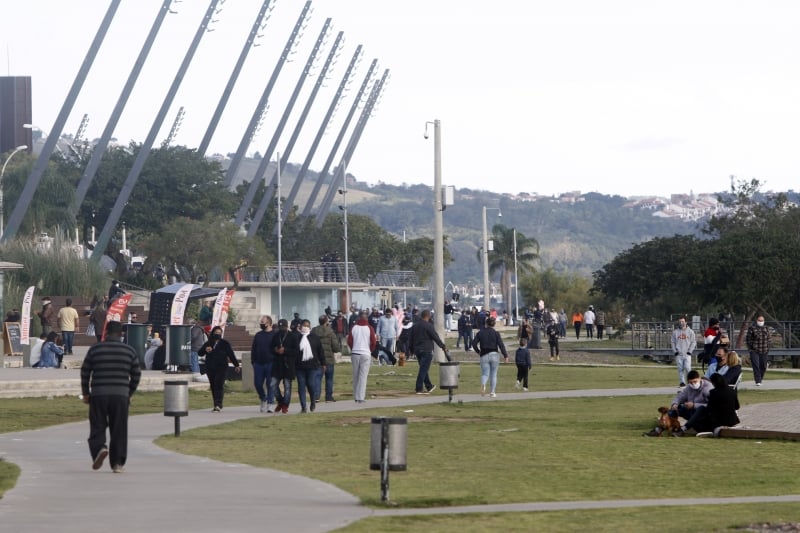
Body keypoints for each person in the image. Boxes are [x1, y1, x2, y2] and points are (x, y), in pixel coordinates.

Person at [80, 321, 141, 473]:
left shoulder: (95, 349)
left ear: (106, 332)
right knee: (119, 429)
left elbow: (85, 371)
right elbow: (136, 374)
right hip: (120, 395)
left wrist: (86, 393)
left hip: (99, 394)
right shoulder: (129, 350)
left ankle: (99, 448)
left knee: (97, 426)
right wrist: (129, 392)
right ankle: (117, 463)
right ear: (121, 334)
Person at [643, 370, 712, 437]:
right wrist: (675, 404)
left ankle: (682, 430)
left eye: (695, 381)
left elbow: (712, 405)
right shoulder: (689, 387)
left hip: (703, 415)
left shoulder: (708, 388)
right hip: (691, 411)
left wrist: (694, 405)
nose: (693, 384)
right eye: (691, 382)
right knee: (675, 410)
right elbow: (680, 397)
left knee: (700, 409)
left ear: (699, 378)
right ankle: (658, 430)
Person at [676, 372, 740, 437]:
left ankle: (684, 428)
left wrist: (695, 406)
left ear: (714, 383)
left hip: (718, 422)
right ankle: (685, 427)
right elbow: (737, 407)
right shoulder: (732, 391)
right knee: (698, 413)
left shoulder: (713, 392)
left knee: (701, 410)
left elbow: (709, 408)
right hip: (732, 421)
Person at [200, 326, 241, 412]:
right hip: (210, 367)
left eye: (219, 333)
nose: (217, 335)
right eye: (216, 333)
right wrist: (205, 349)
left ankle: (218, 404)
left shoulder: (225, 343)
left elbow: (231, 354)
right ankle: (215, 403)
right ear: (213, 333)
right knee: (213, 385)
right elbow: (200, 353)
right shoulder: (208, 343)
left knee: (219, 384)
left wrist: (236, 365)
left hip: (222, 367)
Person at [409, 309, 447, 395]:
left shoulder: (415, 326)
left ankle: (429, 386)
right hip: (426, 350)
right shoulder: (428, 326)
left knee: (423, 368)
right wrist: (443, 346)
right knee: (423, 369)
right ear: (428, 316)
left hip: (417, 350)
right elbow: (435, 337)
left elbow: (410, 339)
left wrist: (411, 350)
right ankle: (419, 388)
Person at [472, 316, 508, 397]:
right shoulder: (496, 333)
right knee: (493, 374)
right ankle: (492, 392)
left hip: (484, 354)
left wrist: (478, 351)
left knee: (485, 374)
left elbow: (473, 344)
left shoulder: (480, 333)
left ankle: (483, 385)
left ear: (486, 324)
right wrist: (505, 355)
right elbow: (501, 345)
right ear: (493, 325)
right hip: (494, 354)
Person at [295, 319, 325, 413]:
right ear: (300, 327)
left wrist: (323, 363)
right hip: (300, 367)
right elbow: (294, 352)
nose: (305, 327)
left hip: (312, 366)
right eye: (304, 325)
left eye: (307, 326)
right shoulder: (297, 338)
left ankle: (313, 401)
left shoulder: (314, 337)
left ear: (310, 327)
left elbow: (320, 351)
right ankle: (303, 407)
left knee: (311, 384)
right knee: (301, 387)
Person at [347, 310, 376, 403]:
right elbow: (373, 342)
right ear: (366, 318)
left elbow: (349, 341)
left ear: (358, 318)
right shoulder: (370, 328)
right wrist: (370, 350)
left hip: (355, 353)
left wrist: (353, 348)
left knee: (355, 375)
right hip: (366, 353)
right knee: (363, 376)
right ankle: (361, 397)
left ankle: (356, 396)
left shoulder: (354, 327)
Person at [271, 318, 298, 413]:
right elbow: (271, 348)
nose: (281, 328)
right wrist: (276, 350)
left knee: (287, 386)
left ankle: (285, 405)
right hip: (277, 365)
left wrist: (285, 350)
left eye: (283, 326)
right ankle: (280, 401)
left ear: (287, 326)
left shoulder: (293, 336)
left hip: (288, 365)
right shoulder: (275, 336)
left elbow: (296, 351)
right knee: (273, 384)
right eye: (280, 326)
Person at [312, 314, 340, 402]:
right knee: (329, 378)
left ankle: (316, 396)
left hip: (317, 359)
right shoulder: (330, 332)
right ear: (326, 322)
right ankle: (328, 397)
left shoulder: (313, 331)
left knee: (317, 378)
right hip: (329, 359)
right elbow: (335, 347)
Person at [251, 315, 276, 412]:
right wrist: (253, 361)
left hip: (271, 363)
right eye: (260, 321)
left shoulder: (274, 334)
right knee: (257, 383)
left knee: (270, 384)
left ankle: (270, 403)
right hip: (258, 363)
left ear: (269, 323)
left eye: (263, 321)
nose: (261, 323)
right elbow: (254, 348)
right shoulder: (258, 335)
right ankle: (263, 398)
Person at [671, 316, 697, 387]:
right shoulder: (675, 332)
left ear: (686, 322)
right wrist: (675, 351)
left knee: (688, 368)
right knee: (680, 368)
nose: (681, 323)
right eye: (680, 322)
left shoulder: (690, 332)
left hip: (687, 354)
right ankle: (682, 382)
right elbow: (673, 342)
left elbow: (693, 342)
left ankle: (690, 381)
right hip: (679, 353)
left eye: (682, 321)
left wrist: (690, 351)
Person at [746, 315, 770, 386]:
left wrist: (768, 347)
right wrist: (750, 349)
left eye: (762, 320)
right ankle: (758, 381)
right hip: (754, 350)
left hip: (764, 350)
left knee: (763, 366)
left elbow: (769, 338)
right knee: (756, 365)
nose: (760, 322)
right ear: (756, 321)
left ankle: (760, 378)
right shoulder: (752, 328)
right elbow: (748, 339)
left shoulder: (766, 328)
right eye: (759, 320)